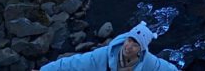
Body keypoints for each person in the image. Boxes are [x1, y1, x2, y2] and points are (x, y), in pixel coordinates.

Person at [41, 23, 176, 70]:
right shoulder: (104, 55)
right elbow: (73, 63)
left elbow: (165, 68)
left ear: (141, 50)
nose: (129, 47)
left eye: (135, 45)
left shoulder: (148, 62)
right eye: (129, 40)